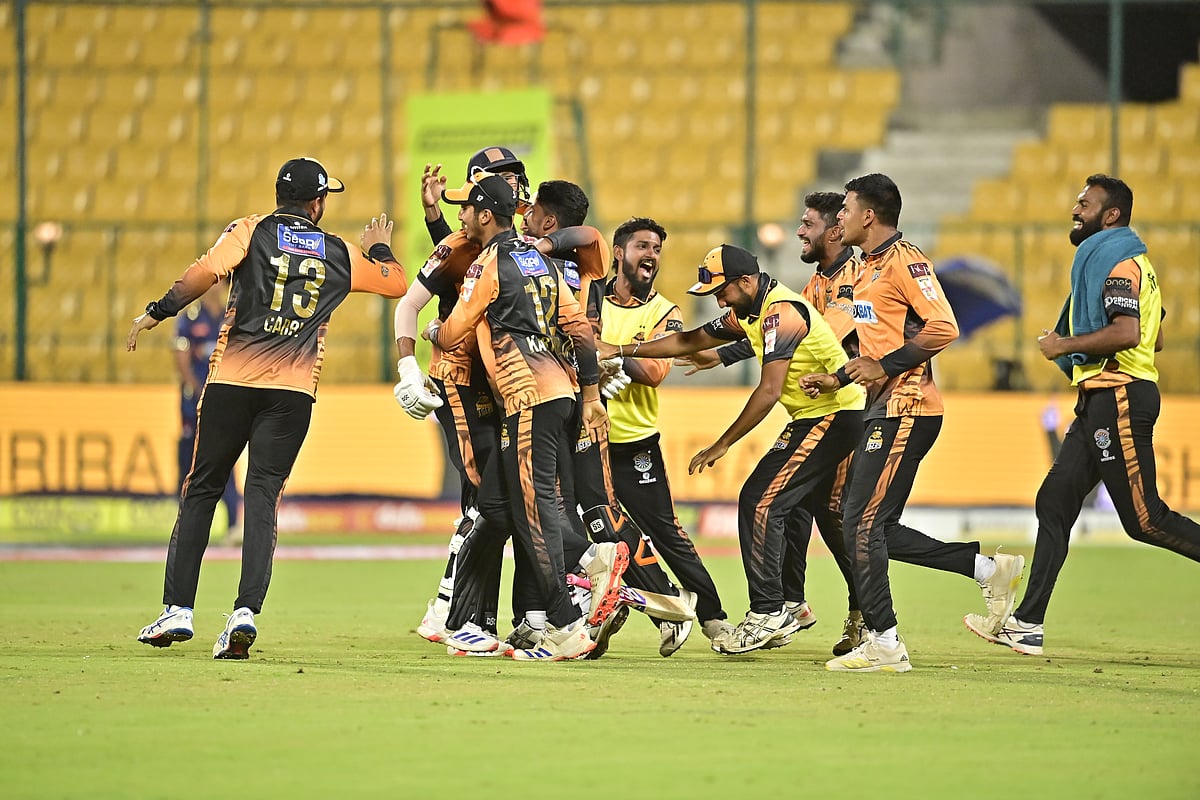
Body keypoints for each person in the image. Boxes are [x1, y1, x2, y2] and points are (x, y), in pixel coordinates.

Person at [131, 157, 410, 659]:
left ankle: (178, 609)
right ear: (318, 203)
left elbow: (203, 274)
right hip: (293, 392)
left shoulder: (251, 229)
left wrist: (158, 312)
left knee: (202, 490)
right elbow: (396, 283)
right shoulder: (338, 251)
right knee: (263, 497)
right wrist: (378, 247)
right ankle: (244, 612)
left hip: (231, 381)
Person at [965, 174, 1200, 655]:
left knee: (1144, 519)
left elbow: (1129, 333)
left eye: (1085, 203)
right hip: (1099, 400)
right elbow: (1155, 334)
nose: (1075, 210)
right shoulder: (1133, 263)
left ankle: (1027, 621)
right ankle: (1027, 624)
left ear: (1110, 215)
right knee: (1054, 502)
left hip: (1119, 398)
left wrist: (1064, 345)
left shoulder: (1117, 265)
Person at [801, 173, 1024, 673]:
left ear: (870, 216)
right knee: (873, 525)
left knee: (858, 521)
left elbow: (944, 326)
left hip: (908, 407)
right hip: (882, 406)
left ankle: (885, 641)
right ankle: (987, 569)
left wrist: (884, 367)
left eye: (847, 210)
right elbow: (866, 338)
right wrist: (839, 376)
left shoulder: (908, 262)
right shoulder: (862, 270)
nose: (840, 218)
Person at [600, 243, 863, 654]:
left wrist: (722, 444)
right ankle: (824, 609)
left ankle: (769, 612)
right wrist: (619, 350)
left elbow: (770, 390)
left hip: (834, 415)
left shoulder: (783, 312)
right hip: (819, 417)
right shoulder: (751, 310)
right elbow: (688, 341)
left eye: (721, 291)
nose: (718, 300)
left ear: (746, 281)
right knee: (813, 515)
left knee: (760, 501)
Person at [427, 173, 628, 662]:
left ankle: (568, 614)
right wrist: (592, 395)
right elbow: (579, 330)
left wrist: (432, 329)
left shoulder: (489, 262)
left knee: (532, 513)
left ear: (485, 215)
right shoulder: (540, 261)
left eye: (470, 210)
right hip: (560, 393)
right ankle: (459, 622)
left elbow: (455, 331)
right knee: (497, 507)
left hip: (525, 398)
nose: (465, 218)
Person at [676, 192, 867, 656]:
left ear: (835, 230)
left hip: (843, 406)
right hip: (817, 407)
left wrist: (723, 441)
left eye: (809, 224)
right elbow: (771, 331)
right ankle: (792, 604)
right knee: (798, 509)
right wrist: (718, 354)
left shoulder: (854, 282)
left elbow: (808, 334)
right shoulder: (806, 287)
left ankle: (862, 612)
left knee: (831, 517)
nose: (800, 231)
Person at [596, 217, 733, 653]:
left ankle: (715, 619)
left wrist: (607, 356)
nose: (651, 254)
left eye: (656, 248)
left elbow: (654, 371)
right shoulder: (588, 296)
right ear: (619, 252)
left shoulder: (666, 313)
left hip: (634, 441)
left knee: (666, 531)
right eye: (641, 246)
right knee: (601, 531)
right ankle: (660, 608)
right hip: (584, 438)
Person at [174, 274, 242, 545]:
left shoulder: (232, 317)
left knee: (226, 461)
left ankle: (234, 524)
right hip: (195, 405)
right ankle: (189, 525)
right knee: (194, 463)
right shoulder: (190, 319)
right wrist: (203, 393)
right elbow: (182, 364)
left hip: (224, 403)